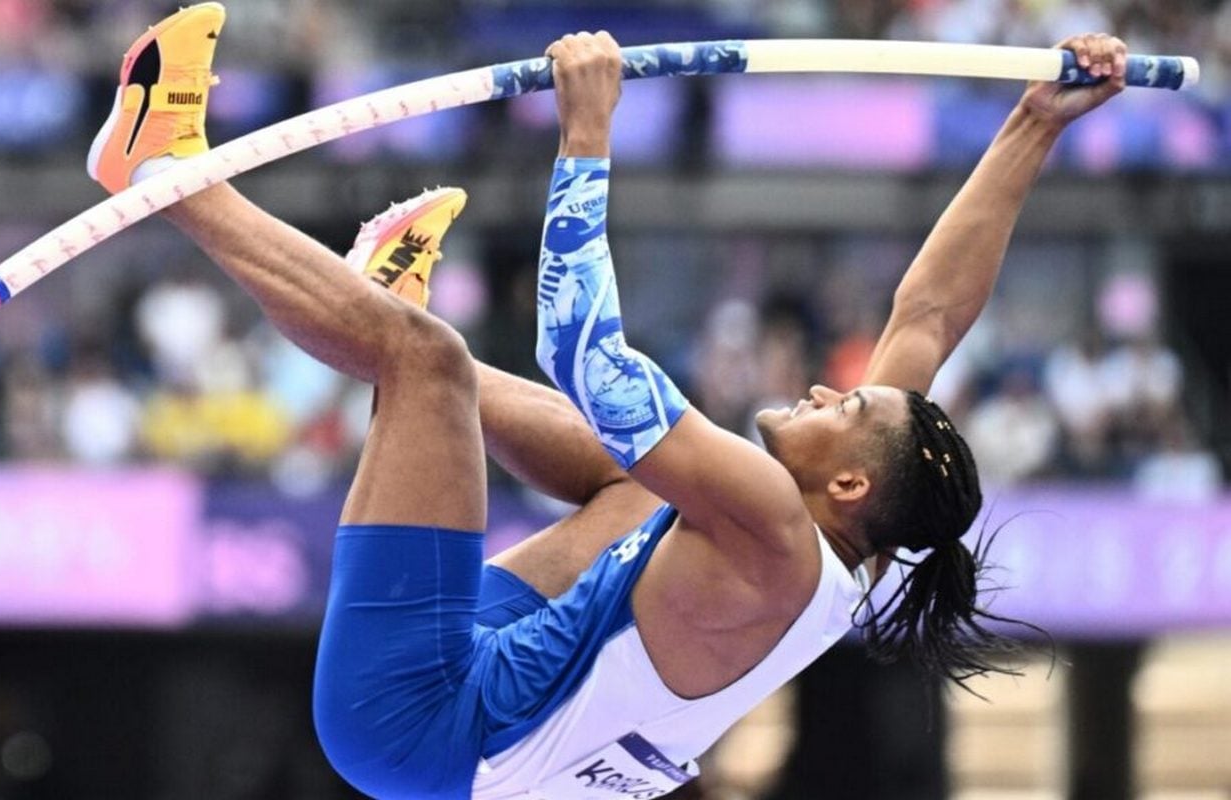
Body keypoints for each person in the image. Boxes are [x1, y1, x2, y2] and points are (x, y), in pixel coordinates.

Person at [87, 5, 1130, 797]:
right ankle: (373, 318)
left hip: (421, 727)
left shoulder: (774, 528)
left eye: (846, 409)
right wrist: (1033, 125)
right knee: (635, 485)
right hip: (501, 690)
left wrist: (585, 131)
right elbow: (931, 314)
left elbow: (583, 353)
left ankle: (160, 169)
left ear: (850, 483)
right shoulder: (840, 530)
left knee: (427, 360)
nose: (827, 389)